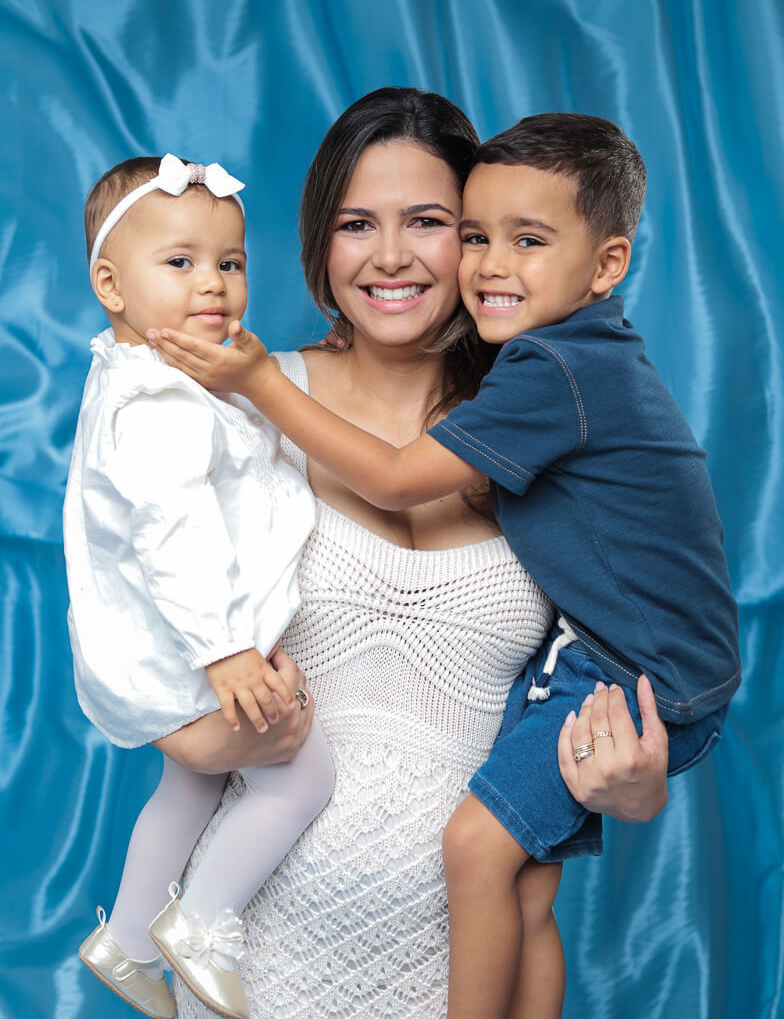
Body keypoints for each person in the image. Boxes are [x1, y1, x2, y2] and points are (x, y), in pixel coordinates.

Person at [150, 91, 673, 1019]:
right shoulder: (243, 405)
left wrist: (632, 788)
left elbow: (601, 696)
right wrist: (213, 727)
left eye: (429, 223)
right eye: (357, 223)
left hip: (470, 977)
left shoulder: (552, 429)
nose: (390, 256)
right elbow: (142, 669)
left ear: (476, 239)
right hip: (254, 965)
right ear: (320, 242)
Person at [64, 154, 334, 1019]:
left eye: (230, 262)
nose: (212, 284)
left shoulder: (143, 372)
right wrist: (224, 650)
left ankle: (130, 937)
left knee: (192, 784)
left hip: (161, 647)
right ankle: (203, 919)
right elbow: (173, 534)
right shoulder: (158, 407)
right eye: (178, 263)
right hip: (187, 648)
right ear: (111, 283)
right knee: (299, 774)